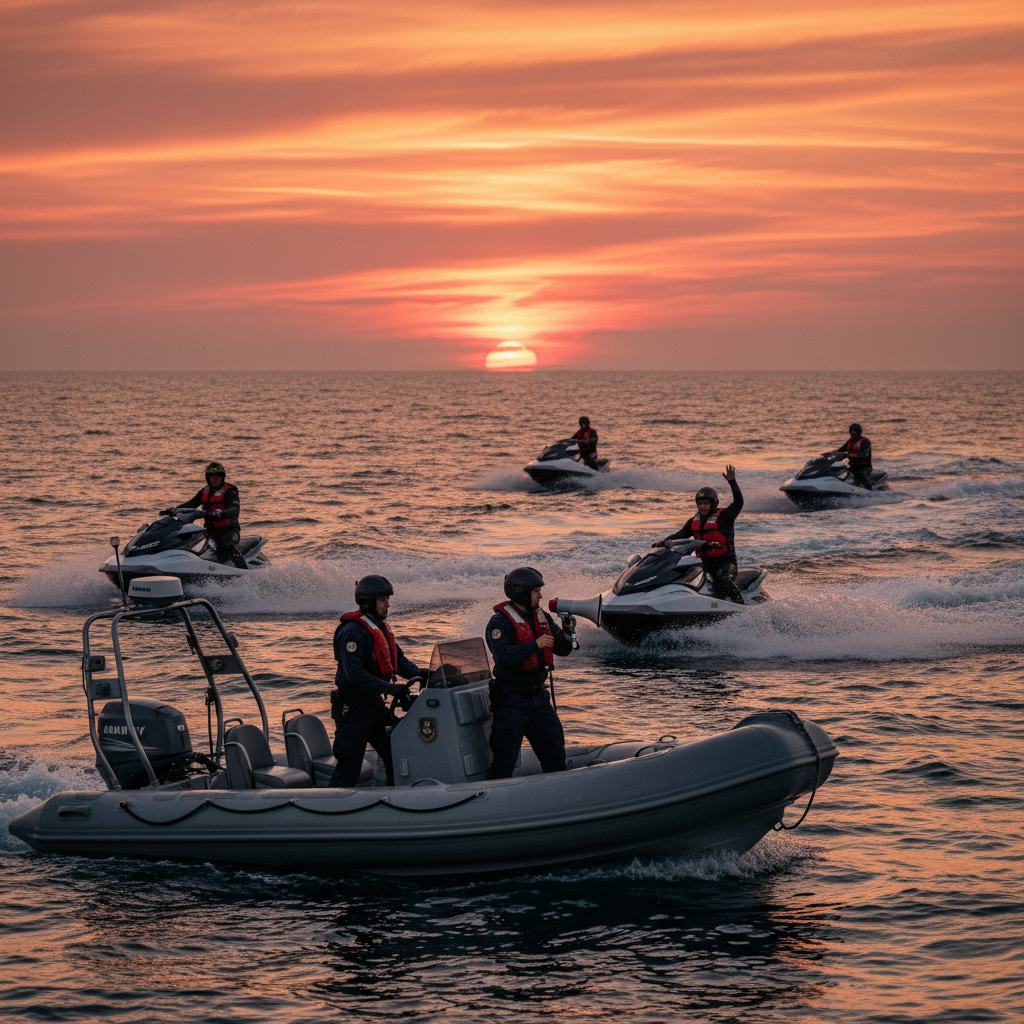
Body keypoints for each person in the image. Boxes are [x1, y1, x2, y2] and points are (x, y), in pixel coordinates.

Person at [328, 575, 427, 787]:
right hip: (353, 710)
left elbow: (397, 661)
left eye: (388, 599)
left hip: (374, 707)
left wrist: (423, 674)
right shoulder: (353, 632)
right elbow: (354, 674)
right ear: (368, 601)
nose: (388, 604)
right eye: (383, 599)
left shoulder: (380, 628)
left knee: (396, 753)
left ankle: (394, 801)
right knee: (349, 767)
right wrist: (391, 688)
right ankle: (330, 810)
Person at [484, 566, 574, 780]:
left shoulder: (542, 618)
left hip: (539, 699)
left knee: (554, 755)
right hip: (512, 701)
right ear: (522, 593)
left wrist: (568, 630)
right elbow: (504, 657)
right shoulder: (499, 623)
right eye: (536, 591)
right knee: (504, 761)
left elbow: (562, 650)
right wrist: (535, 645)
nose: (541, 595)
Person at [654, 465, 745, 604]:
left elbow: (738, 503)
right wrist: (663, 542)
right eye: (700, 503)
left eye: (706, 503)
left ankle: (741, 608)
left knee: (723, 580)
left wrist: (732, 482)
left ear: (713, 504)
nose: (702, 506)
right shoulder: (693, 521)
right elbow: (680, 535)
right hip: (704, 564)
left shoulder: (725, 517)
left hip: (725, 563)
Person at [168, 461, 247, 569]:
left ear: (222, 477)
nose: (215, 478)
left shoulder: (229, 492)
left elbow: (235, 509)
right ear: (208, 477)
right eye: (212, 476)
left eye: (218, 476)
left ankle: (244, 571)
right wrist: (173, 510)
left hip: (229, 530)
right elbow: (191, 504)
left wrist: (221, 513)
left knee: (227, 543)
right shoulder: (204, 491)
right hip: (211, 530)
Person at [828, 423, 873, 489]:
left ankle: (870, 491)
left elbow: (865, 453)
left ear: (859, 432)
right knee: (836, 470)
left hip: (864, 467)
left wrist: (852, 455)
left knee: (858, 475)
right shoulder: (850, 441)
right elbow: (841, 450)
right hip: (853, 467)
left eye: (855, 430)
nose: (853, 432)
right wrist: (831, 453)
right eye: (852, 430)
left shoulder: (865, 441)